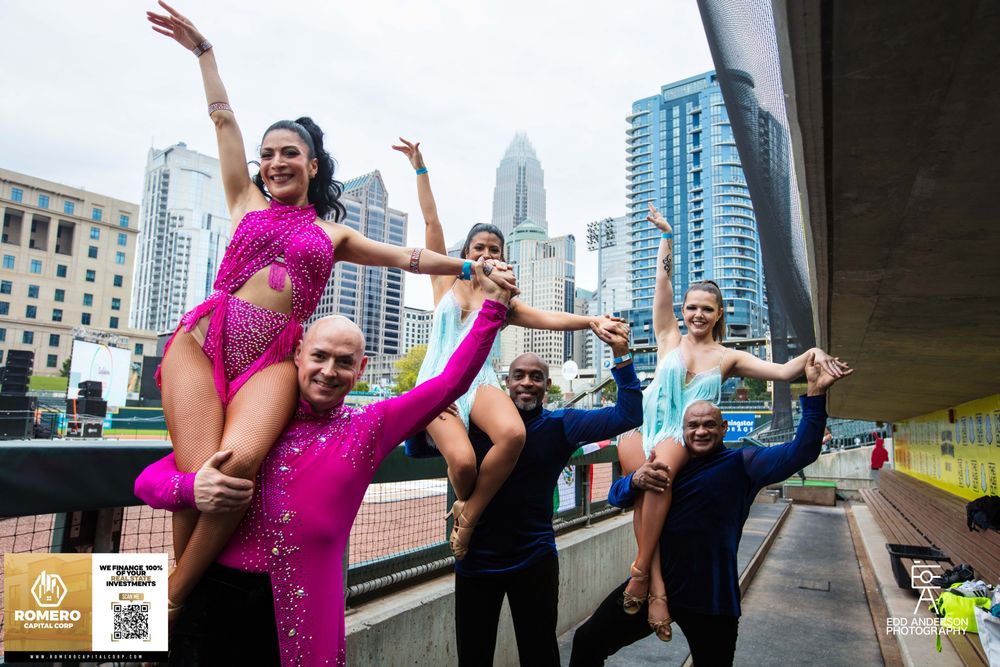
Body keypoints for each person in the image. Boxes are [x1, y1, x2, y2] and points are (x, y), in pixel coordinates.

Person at [143, 2, 517, 618]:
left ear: (312, 165)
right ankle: (169, 612)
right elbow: (224, 125)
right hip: (198, 345)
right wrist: (205, 55)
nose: (275, 162)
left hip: (269, 361)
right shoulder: (243, 200)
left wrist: (472, 269)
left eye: (290, 152)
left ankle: (171, 602)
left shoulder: (332, 235)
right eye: (268, 155)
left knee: (230, 480)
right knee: (198, 483)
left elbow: (412, 259)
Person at [134, 261, 514, 666]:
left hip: (302, 620)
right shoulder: (257, 417)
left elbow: (449, 381)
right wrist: (191, 488)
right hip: (208, 601)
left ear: (360, 369)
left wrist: (493, 307)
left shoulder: (370, 427)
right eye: (319, 356)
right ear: (298, 354)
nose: (329, 371)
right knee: (80, 610)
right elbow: (147, 481)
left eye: (344, 362)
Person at [616, 202, 849, 639]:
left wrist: (814, 354)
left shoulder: (728, 357)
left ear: (719, 313)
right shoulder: (668, 336)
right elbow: (662, 283)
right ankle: (655, 584)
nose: (697, 315)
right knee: (641, 503)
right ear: (682, 311)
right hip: (642, 428)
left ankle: (643, 577)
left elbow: (783, 371)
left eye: (707, 308)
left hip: (675, 437)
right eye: (691, 308)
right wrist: (667, 235)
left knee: (659, 475)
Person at [392, 138, 626, 559]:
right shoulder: (445, 281)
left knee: (513, 433)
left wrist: (592, 321)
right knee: (462, 464)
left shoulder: (504, 302)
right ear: (466, 254)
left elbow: (552, 318)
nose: (486, 254)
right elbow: (432, 225)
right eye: (478, 248)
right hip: (437, 385)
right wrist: (419, 168)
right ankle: (471, 505)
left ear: (504, 258)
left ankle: (469, 514)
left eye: (494, 250)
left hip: (479, 382)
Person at [569, 354, 852, 666]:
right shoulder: (669, 465)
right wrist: (634, 480)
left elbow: (803, 450)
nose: (701, 431)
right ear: (683, 428)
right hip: (655, 585)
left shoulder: (743, 465)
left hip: (713, 596)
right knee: (587, 642)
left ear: (724, 428)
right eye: (693, 425)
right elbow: (617, 497)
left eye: (709, 425)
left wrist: (816, 393)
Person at [454, 323, 644, 666]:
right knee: (473, 655)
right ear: (505, 382)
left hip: (534, 558)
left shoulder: (561, 425)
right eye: (519, 375)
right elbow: (417, 445)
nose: (527, 382)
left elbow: (629, 415)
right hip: (475, 562)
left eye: (536, 376)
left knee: (540, 653)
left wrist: (621, 356)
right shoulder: (476, 425)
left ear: (547, 385)